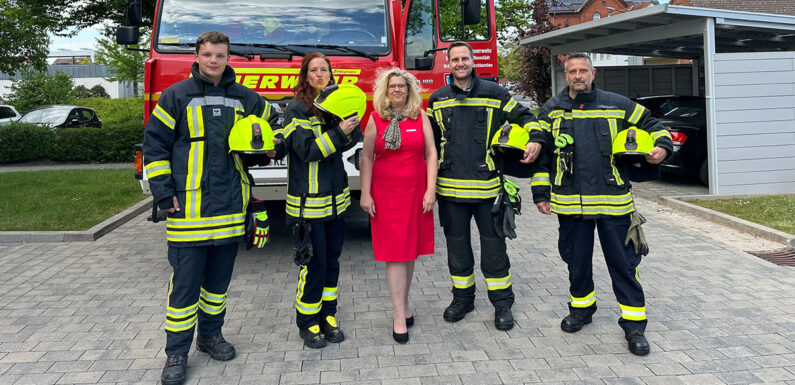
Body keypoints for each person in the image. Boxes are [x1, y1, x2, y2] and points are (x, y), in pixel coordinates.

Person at [143, 31, 281, 385]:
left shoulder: (242, 96)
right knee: (185, 287)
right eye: (207, 54)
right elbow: (154, 146)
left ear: (228, 57)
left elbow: (276, 118)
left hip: (231, 204)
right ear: (197, 56)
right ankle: (176, 352)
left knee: (218, 284)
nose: (213, 61)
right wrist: (162, 193)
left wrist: (271, 144)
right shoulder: (175, 96)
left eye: (220, 55)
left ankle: (210, 336)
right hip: (188, 206)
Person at [530, 52, 673, 356]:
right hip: (571, 204)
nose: (578, 75)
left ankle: (634, 325)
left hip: (614, 203)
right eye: (572, 71)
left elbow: (652, 123)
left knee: (623, 265)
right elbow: (542, 153)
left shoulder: (617, 104)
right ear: (565, 74)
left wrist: (662, 146)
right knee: (576, 263)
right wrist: (541, 193)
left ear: (593, 74)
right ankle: (582, 310)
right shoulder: (552, 109)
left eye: (583, 70)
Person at [426, 41, 544, 331]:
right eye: (454, 59)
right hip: (450, 192)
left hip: (487, 191)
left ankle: (502, 304)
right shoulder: (437, 99)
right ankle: (462, 299)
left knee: (494, 250)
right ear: (449, 64)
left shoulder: (497, 94)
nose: (460, 63)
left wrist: (536, 139)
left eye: (464, 58)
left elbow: (527, 117)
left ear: (473, 60)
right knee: (457, 250)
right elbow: (426, 143)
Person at [281, 52, 360, 349]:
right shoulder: (296, 110)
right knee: (313, 265)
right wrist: (340, 131)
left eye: (323, 70)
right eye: (313, 70)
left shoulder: (334, 104)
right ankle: (307, 321)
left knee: (332, 263)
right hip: (307, 203)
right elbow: (308, 151)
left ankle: (328, 315)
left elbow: (351, 142)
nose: (319, 75)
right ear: (305, 75)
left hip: (336, 200)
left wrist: (351, 124)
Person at [359, 68, 437, 344]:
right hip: (386, 195)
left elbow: (431, 153)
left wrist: (431, 190)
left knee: (410, 252)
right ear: (385, 90)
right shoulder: (375, 119)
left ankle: (404, 304)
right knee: (394, 254)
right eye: (392, 86)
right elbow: (367, 158)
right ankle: (398, 316)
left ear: (409, 90)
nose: (397, 90)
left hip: (415, 193)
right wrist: (365, 194)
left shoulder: (420, 116)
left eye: (401, 86)